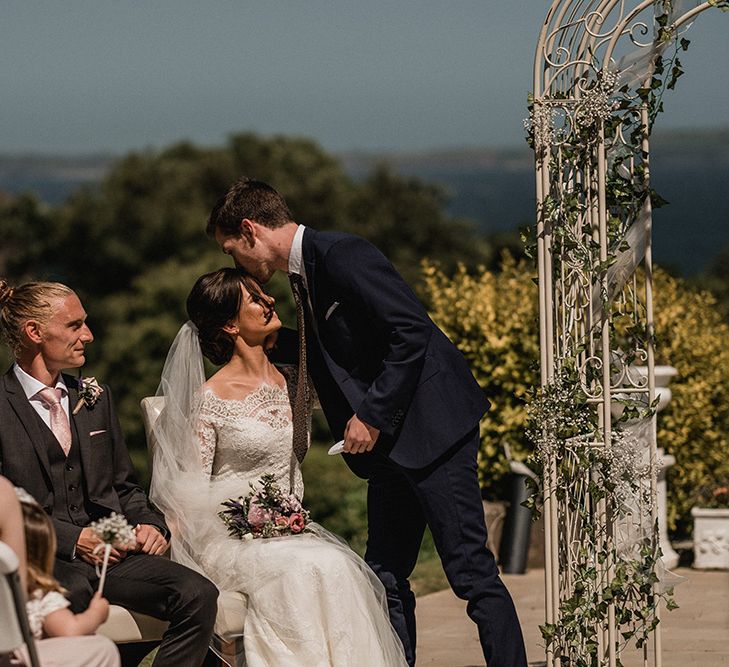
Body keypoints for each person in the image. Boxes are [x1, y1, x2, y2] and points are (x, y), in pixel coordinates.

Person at [206, 178, 528, 667]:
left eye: (232, 250)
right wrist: (239, 333)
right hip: (389, 452)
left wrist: (371, 416)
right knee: (385, 576)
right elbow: (340, 351)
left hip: (431, 430)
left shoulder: (341, 254)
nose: (236, 263)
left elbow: (410, 331)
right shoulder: (303, 272)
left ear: (250, 230)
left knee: (470, 573)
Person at [149, 268, 408, 667]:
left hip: (290, 532)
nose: (269, 301)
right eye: (254, 297)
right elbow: (187, 491)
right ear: (231, 325)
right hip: (230, 541)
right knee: (312, 568)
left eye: (264, 294)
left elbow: (356, 383)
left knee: (338, 565)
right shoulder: (210, 398)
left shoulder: (296, 383)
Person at [0, 279, 219, 667]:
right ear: (34, 332)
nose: (89, 335)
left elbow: (125, 487)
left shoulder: (95, 398)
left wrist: (152, 524)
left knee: (198, 594)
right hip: (41, 559)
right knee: (76, 592)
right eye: (74, 325)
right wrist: (74, 539)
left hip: (114, 556)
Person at [0, 476, 120, 667]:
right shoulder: (40, 596)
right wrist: (96, 614)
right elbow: (70, 630)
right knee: (102, 649)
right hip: (13, 655)